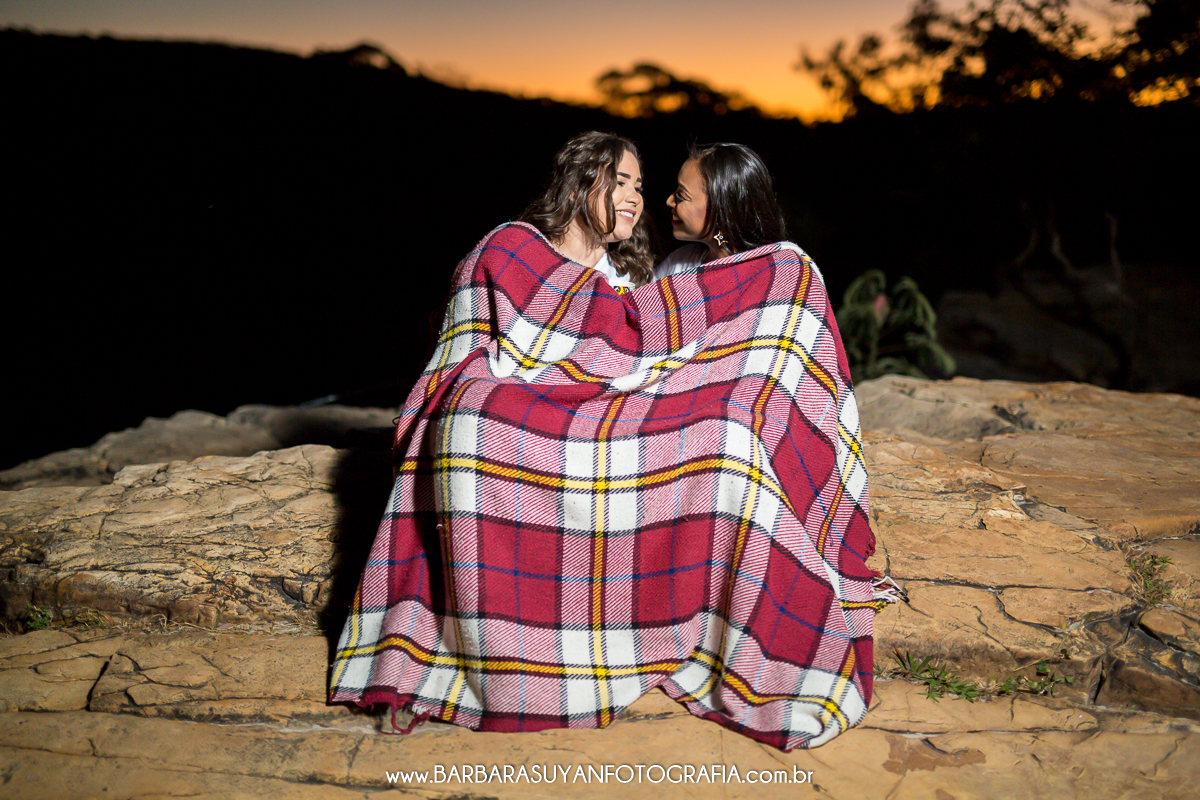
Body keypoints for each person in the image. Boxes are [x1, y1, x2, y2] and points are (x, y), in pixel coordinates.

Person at [330, 134, 883, 752]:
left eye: (656, 189)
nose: (651, 200)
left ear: (723, 202)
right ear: (582, 180)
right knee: (474, 416)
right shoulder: (556, 251)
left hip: (663, 400)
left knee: (727, 443)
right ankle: (507, 638)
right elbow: (606, 336)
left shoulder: (725, 267)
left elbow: (718, 347)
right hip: (585, 395)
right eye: (625, 183)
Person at [520, 131, 654, 292]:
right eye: (620, 183)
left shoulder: (635, 280)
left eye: (638, 189)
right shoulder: (520, 256)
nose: (636, 198)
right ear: (574, 188)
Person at [654, 142, 787, 279]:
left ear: (721, 210)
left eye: (681, 196)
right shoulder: (678, 264)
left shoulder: (778, 274)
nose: (669, 201)